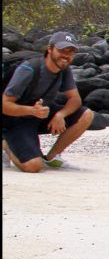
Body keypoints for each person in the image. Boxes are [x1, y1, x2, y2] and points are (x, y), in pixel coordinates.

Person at [2, 31, 94, 173]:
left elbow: (75, 99)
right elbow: (5, 105)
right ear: (49, 49)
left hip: (41, 115)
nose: (66, 55)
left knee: (87, 114)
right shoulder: (28, 69)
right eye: (62, 50)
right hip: (16, 119)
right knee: (34, 167)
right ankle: (7, 145)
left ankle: (51, 157)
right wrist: (32, 111)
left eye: (71, 52)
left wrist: (61, 115)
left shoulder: (64, 70)